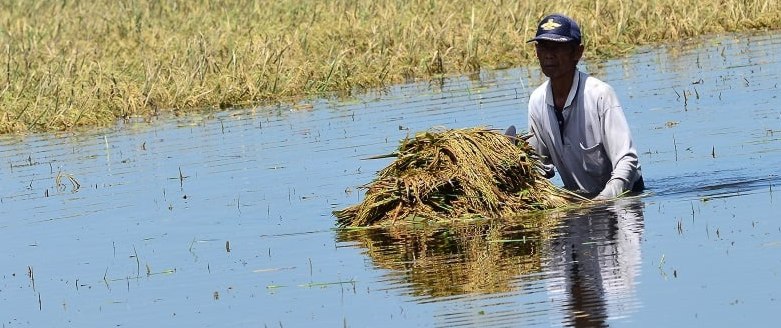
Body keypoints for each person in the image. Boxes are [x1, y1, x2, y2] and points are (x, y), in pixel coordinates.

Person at [522, 13, 643, 199]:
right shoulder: (537, 101)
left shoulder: (600, 95)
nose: (548, 55)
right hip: (582, 202)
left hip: (625, 198)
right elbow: (538, 166)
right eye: (543, 47)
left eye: (557, 47)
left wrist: (604, 201)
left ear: (577, 53)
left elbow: (626, 160)